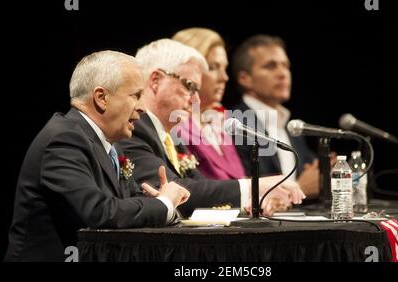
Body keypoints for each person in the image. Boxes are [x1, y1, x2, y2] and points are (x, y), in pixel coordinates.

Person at [5, 50, 190, 261]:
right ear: (101, 97)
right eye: (136, 96)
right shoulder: (64, 140)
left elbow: (116, 203)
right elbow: (98, 212)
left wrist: (150, 201)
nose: (143, 108)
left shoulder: (105, 143)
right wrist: (163, 204)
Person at [117, 39, 306, 218]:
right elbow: (174, 191)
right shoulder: (131, 129)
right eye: (189, 85)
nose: (195, 100)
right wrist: (251, 187)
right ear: (156, 80)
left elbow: (199, 186)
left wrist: (253, 199)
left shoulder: (169, 136)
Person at [231, 35, 320, 199]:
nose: (283, 73)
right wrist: (301, 188)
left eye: (285, 66)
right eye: (270, 66)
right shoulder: (235, 124)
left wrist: (321, 169)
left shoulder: (291, 124)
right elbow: (241, 189)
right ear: (245, 79)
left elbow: (309, 173)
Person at [171, 27, 246, 180]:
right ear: (188, 69)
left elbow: (238, 177)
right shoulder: (174, 124)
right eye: (213, 67)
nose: (224, 77)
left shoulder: (219, 119)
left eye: (224, 68)